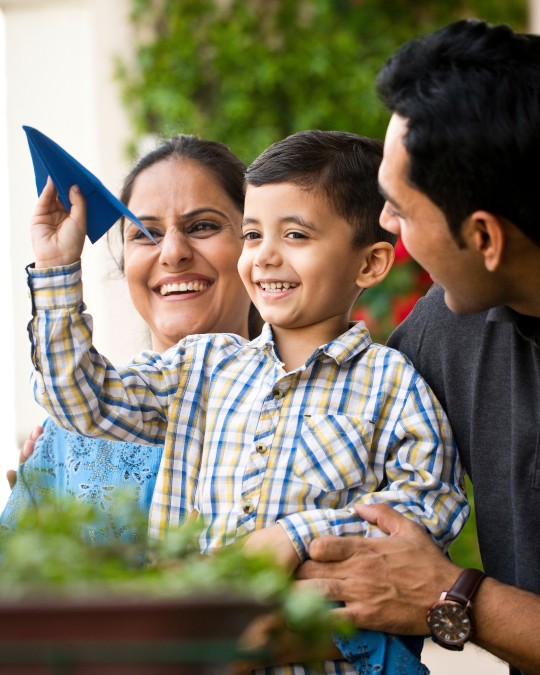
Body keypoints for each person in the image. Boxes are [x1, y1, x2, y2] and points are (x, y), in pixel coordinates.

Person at [27, 129, 468, 674]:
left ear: (371, 265)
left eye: (297, 235)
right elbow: (82, 400)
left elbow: (432, 508)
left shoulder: (393, 382)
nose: (266, 257)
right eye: (254, 235)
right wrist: (55, 271)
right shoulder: (201, 367)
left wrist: (298, 536)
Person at [297, 19, 540, 675]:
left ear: (486, 238)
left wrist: (452, 596)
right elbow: (331, 420)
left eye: (400, 209)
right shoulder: (450, 326)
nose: (385, 223)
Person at [2, 133, 260, 540]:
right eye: (145, 233)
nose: (173, 252)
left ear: (255, 244)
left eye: (203, 226)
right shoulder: (66, 435)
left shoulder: (313, 405)